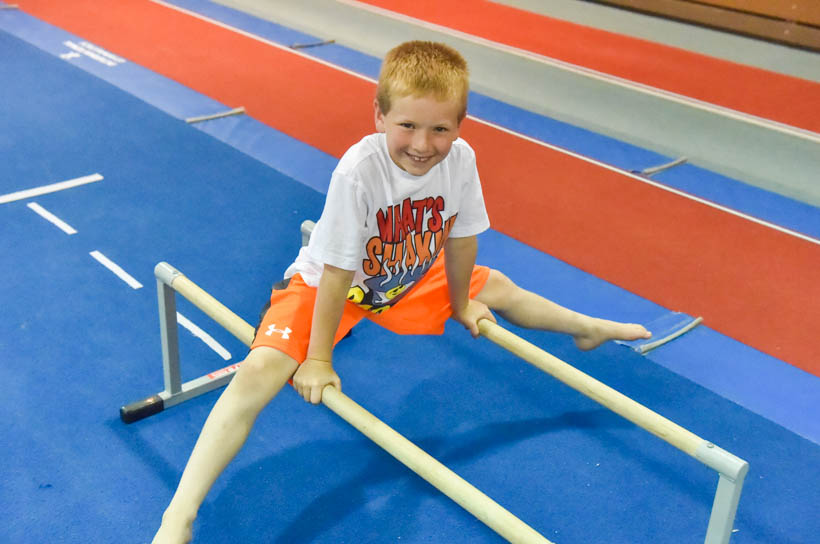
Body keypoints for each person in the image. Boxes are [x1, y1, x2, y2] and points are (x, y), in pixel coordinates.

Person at [153, 40, 650, 543]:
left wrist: (460, 303)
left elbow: (461, 239)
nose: (422, 143)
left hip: (401, 276)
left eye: (440, 129)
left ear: (460, 126)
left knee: (497, 287)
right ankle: (181, 514)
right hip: (329, 285)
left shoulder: (461, 161)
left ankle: (586, 329)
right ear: (379, 117)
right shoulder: (358, 170)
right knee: (259, 370)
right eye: (407, 125)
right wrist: (320, 360)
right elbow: (337, 273)